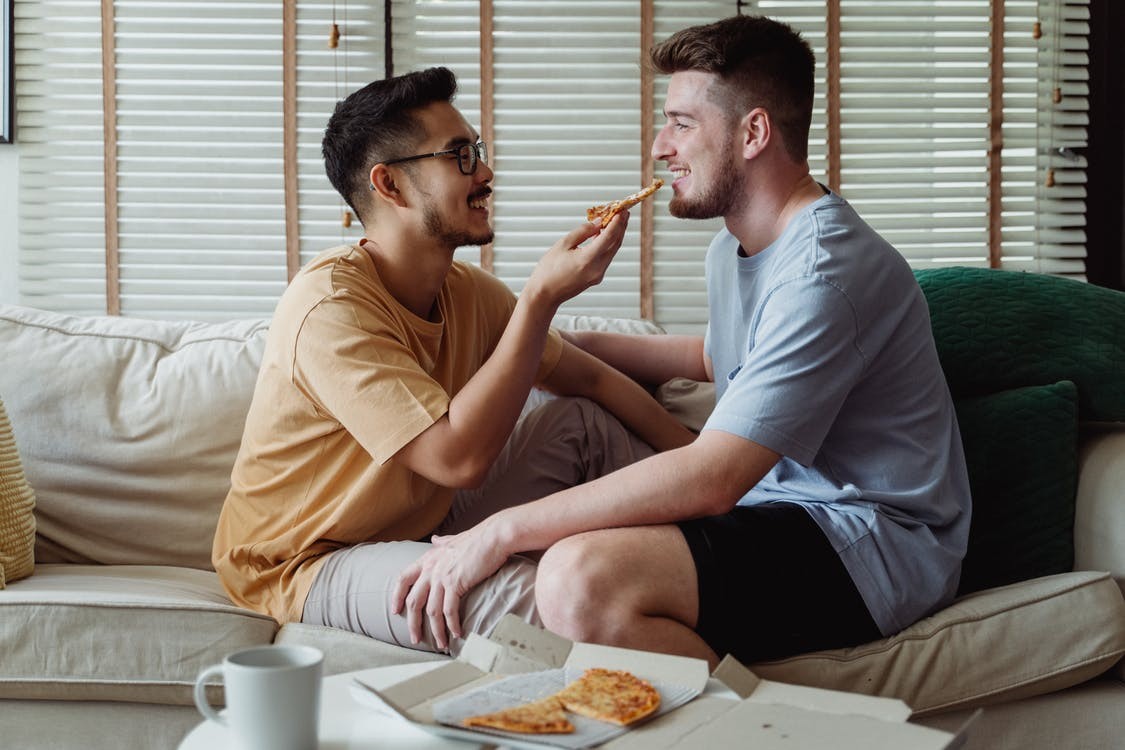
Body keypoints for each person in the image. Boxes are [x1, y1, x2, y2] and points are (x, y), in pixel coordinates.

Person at [393, 15, 972, 668]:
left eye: (681, 122)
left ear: (753, 132)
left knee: (579, 579)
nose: (658, 147)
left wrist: (496, 532)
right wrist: (552, 344)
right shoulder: (734, 249)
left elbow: (716, 476)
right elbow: (717, 359)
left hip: (870, 541)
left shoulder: (826, 271)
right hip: (775, 508)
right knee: (567, 463)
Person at [211, 66, 694, 656]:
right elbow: (457, 458)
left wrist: (724, 473)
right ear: (390, 186)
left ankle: (721, 557)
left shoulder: (469, 293)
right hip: (307, 557)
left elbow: (589, 376)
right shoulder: (330, 309)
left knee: (580, 423)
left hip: (419, 523)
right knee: (541, 603)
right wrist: (541, 298)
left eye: (479, 152)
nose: (486, 173)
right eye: (460, 156)